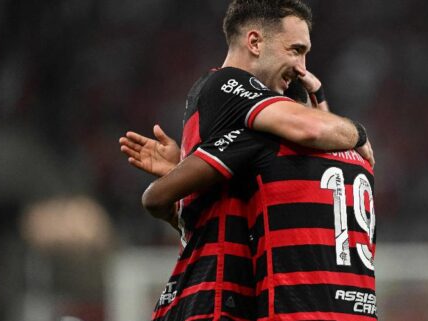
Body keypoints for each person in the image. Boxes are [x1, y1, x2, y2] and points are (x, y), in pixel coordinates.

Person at [119, 1, 373, 320]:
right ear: (254, 42)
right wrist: (358, 133)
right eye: (295, 50)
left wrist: (183, 172)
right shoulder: (229, 84)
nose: (302, 68)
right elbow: (310, 129)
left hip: (229, 294)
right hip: (212, 296)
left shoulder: (246, 124)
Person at [142, 79, 378, 320]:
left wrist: (183, 172)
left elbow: (155, 197)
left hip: (298, 311)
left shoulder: (267, 145)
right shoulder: (362, 160)